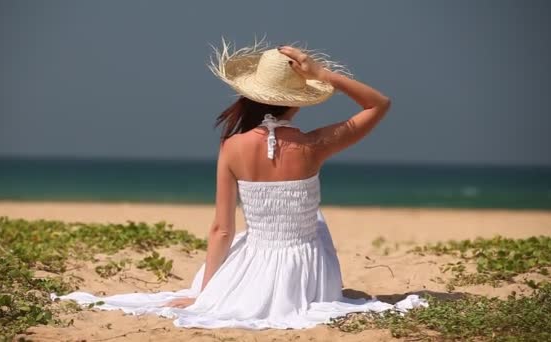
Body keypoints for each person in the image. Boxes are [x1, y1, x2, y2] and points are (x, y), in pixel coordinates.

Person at [52, 41, 427, 329]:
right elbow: (379, 104)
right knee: (317, 222)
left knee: (240, 247)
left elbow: (222, 230)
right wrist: (324, 74)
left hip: (256, 264)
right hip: (310, 276)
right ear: (298, 101)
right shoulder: (314, 144)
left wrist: (205, 293)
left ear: (251, 95)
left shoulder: (231, 147)